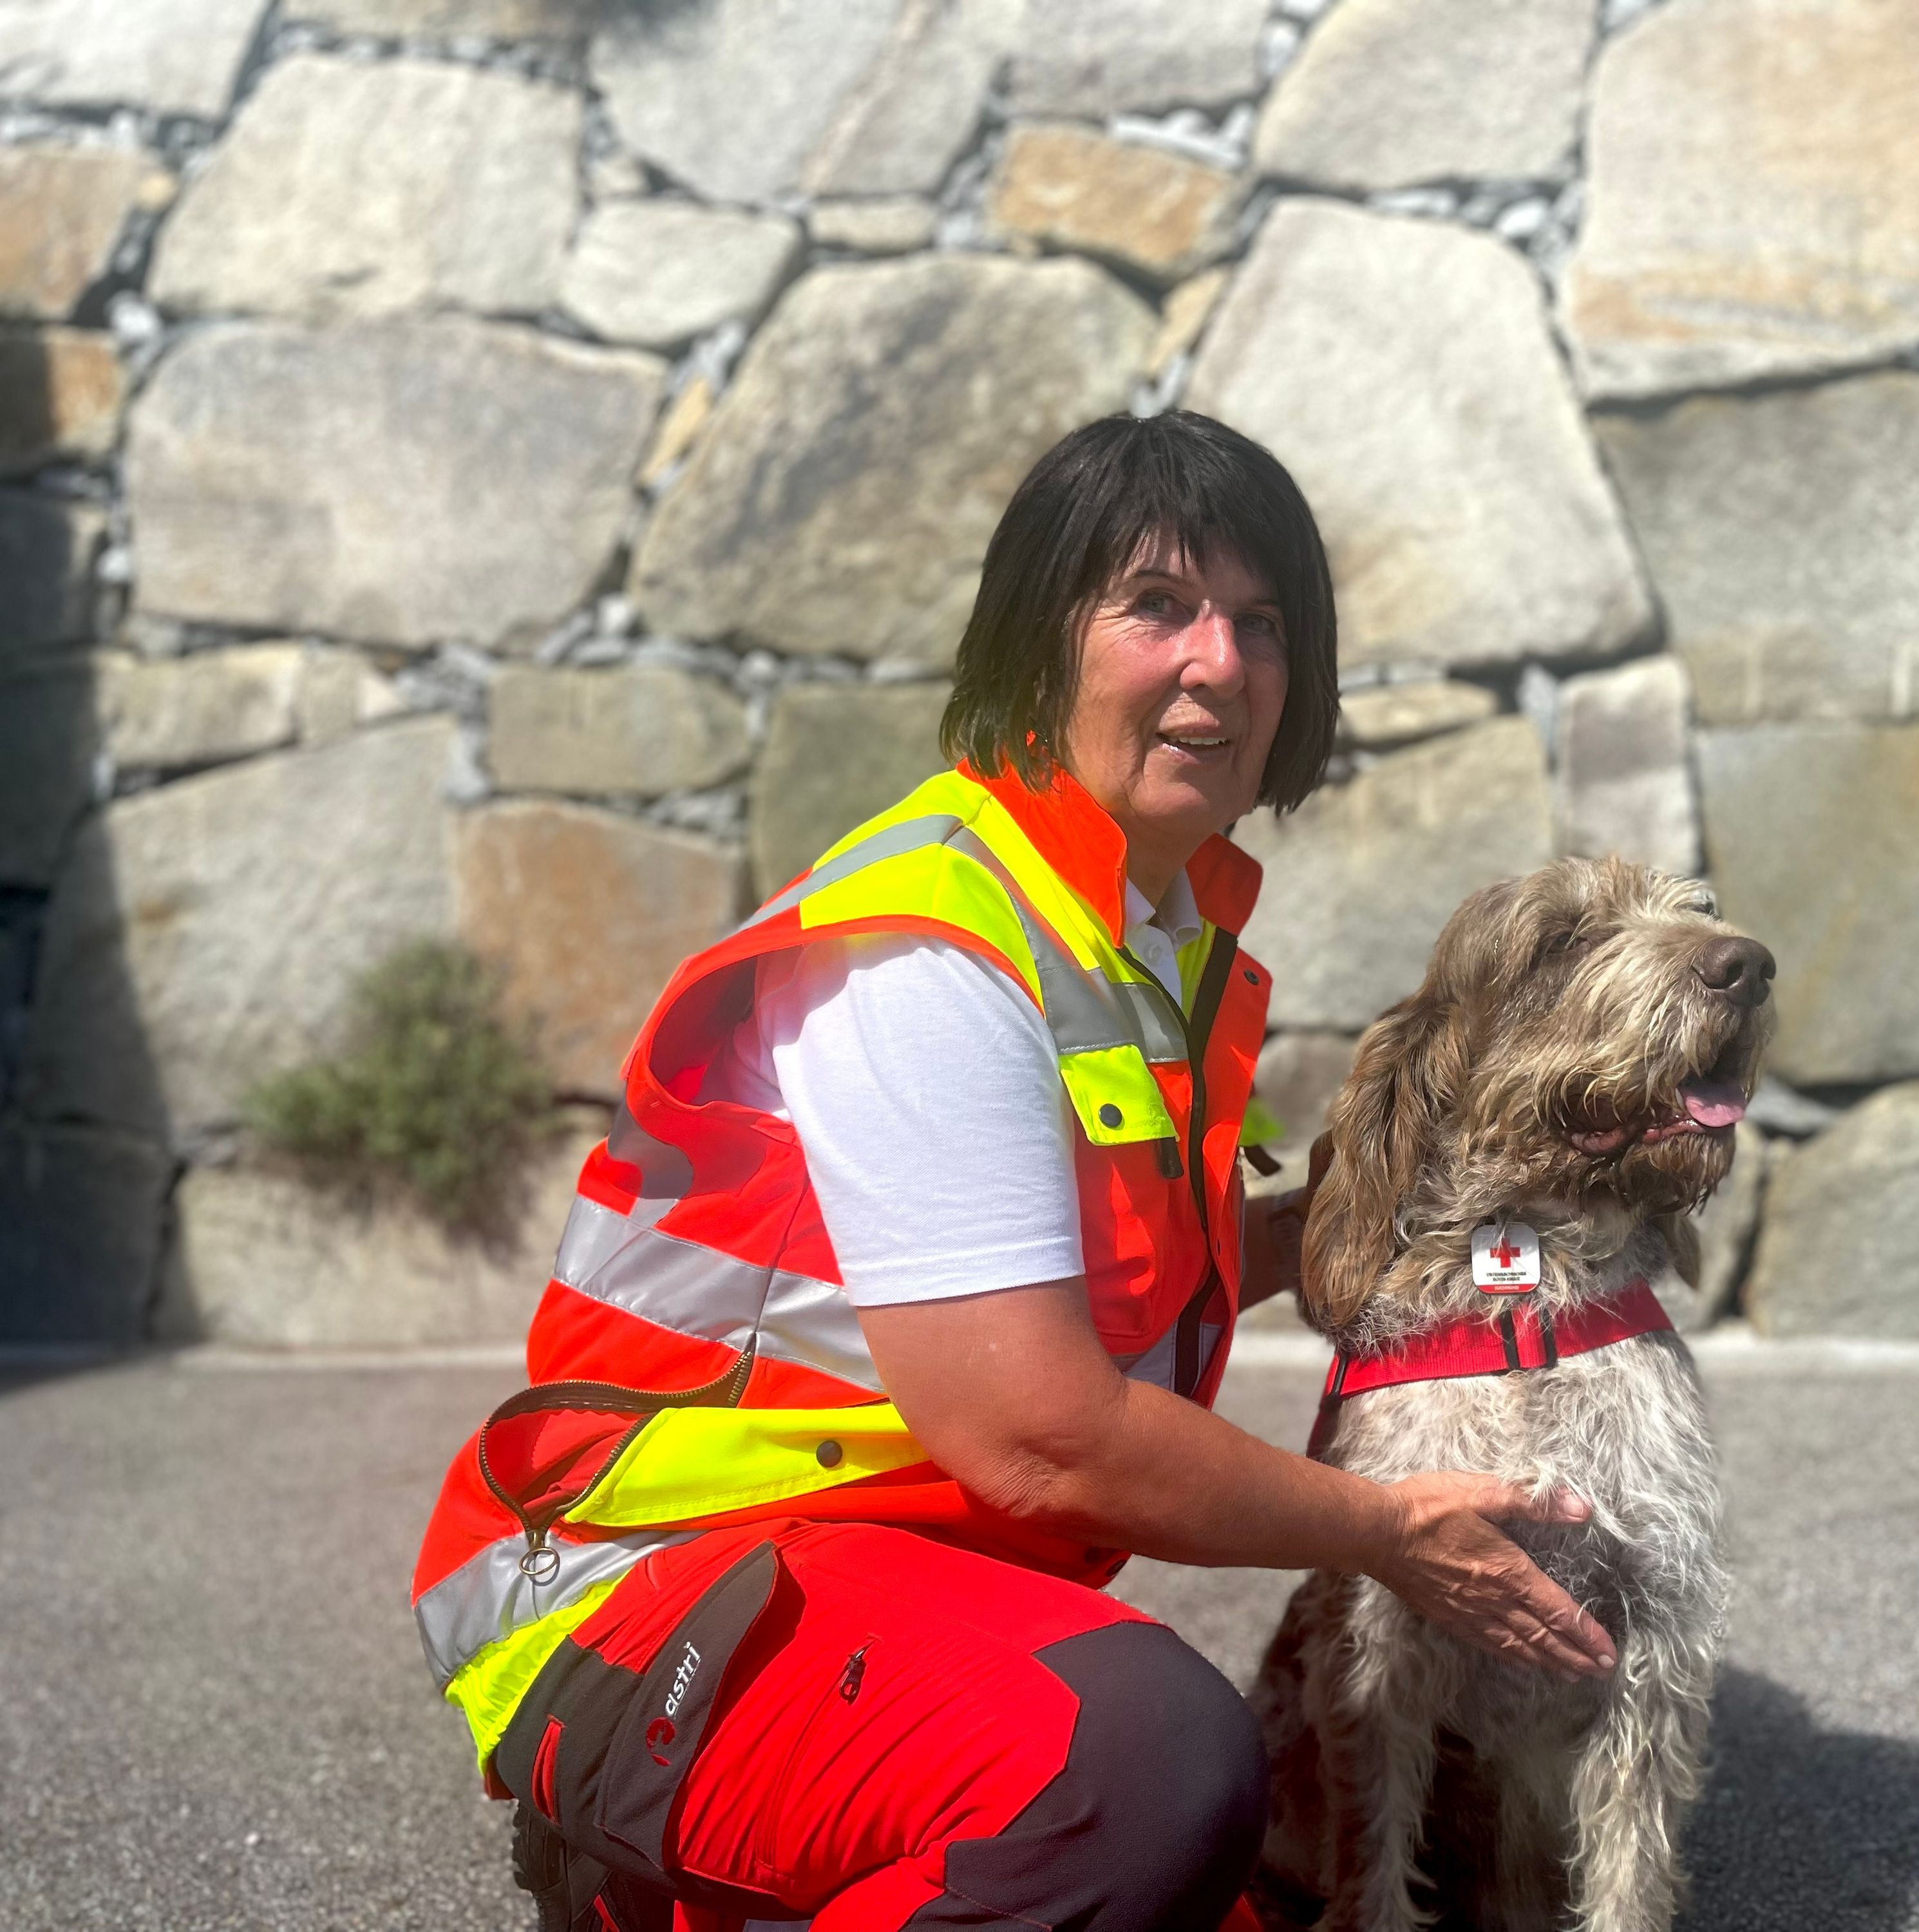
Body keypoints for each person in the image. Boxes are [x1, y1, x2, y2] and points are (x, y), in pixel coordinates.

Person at [410, 412, 1618, 1932]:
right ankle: (655, 1872)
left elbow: (1107, 1271)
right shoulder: (936, 948)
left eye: (1261, 624)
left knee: (1204, 1883)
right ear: (1035, 646)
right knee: (1139, 1770)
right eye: (1157, 608)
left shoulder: (1134, 936)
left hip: (854, 1595)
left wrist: (1396, 1223)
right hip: (647, 1606)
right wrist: (1389, 1532)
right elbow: (1039, 1434)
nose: (1221, 665)